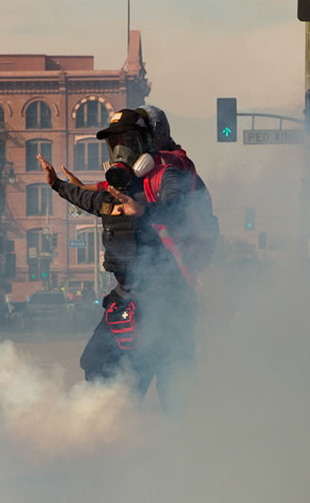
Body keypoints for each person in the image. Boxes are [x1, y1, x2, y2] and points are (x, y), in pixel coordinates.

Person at [43, 107, 215, 408]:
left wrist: (146, 211)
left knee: (173, 387)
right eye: (115, 143)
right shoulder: (117, 188)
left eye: (128, 141)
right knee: (98, 365)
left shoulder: (167, 175)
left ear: (146, 143)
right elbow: (93, 201)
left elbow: (178, 209)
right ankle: (117, 435)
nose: (121, 151)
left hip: (168, 300)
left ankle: (185, 445)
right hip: (128, 297)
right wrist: (58, 185)